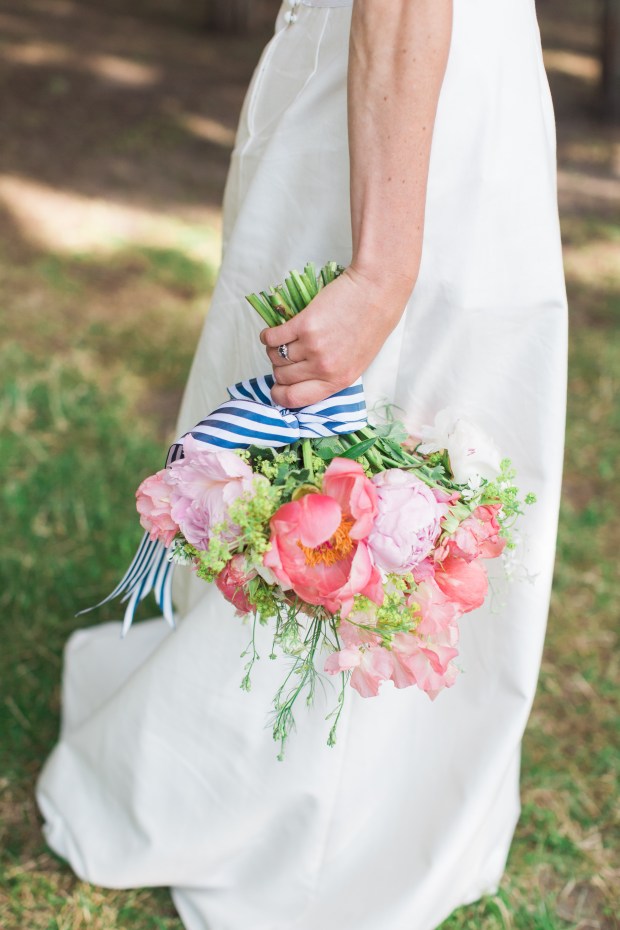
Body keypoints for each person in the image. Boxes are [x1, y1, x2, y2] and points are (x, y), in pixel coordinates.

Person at [34, 1, 568, 929]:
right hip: (403, 117)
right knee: (328, 451)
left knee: (418, 449)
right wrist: (382, 269)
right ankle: (291, 811)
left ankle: (380, 795)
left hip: (424, 86)